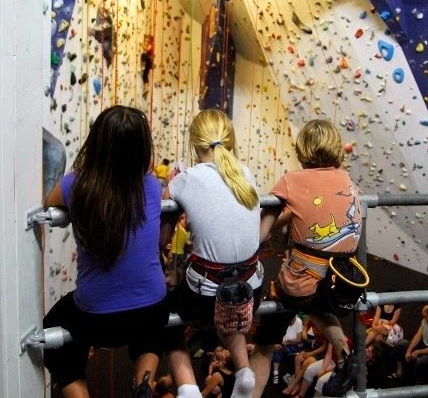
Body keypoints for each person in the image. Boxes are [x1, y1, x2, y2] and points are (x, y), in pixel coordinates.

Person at [43, 105, 169, 398]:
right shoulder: (151, 185)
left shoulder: (76, 185)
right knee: (151, 332)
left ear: (97, 142)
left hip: (96, 318)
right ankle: (143, 386)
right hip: (150, 308)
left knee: (53, 333)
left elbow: (49, 201)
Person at [250, 119, 365, 397]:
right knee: (318, 306)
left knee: (264, 347)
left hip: (301, 285)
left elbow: (260, 235)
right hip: (340, 285)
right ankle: (344, 354)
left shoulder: (293, 180)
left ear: (303, 148)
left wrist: (280, 217)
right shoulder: (347, 181)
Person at [163, 109, 263, 398]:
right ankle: (244, 370)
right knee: (230, 312)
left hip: (207, 297)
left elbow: (163, 237)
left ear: (195, 143)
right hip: (251, 292)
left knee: (165, 318)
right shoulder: (246, 173)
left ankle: (188, 388)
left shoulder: (186, 178)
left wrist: (171, 183)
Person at [271, 314, 303, 385]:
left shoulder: (299, 322)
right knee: (276, 348)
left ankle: (275, 374)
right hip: (281, 343)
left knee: (278, 350)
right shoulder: (283, 320)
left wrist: (287, 342)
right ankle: (275, 373)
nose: (290, 322)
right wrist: (278, 342)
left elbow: (299, 339)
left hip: (293, 346)